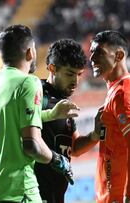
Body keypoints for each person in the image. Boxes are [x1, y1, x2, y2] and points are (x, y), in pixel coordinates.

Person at [0, 24, 73, 203]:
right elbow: (32, 145)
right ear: (30, 52)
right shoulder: (28, 83)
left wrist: (50, 115)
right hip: (17, 192)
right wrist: (59, 160)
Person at [89, 30, 130, 203]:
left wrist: (129, 196)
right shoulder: (125, 91)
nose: (92, 58)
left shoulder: (124, 95)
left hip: (123, 197)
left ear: (118, 55)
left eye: (99, 53)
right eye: (91, 52)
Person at [35, 39, 102, 203]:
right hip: (33, 194)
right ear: (52, 68)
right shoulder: (36, 95)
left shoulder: (64, 104)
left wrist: (95, 135)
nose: (75, 82)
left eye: (79, 74)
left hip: (56, 196)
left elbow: (74, 148)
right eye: (70, 74)